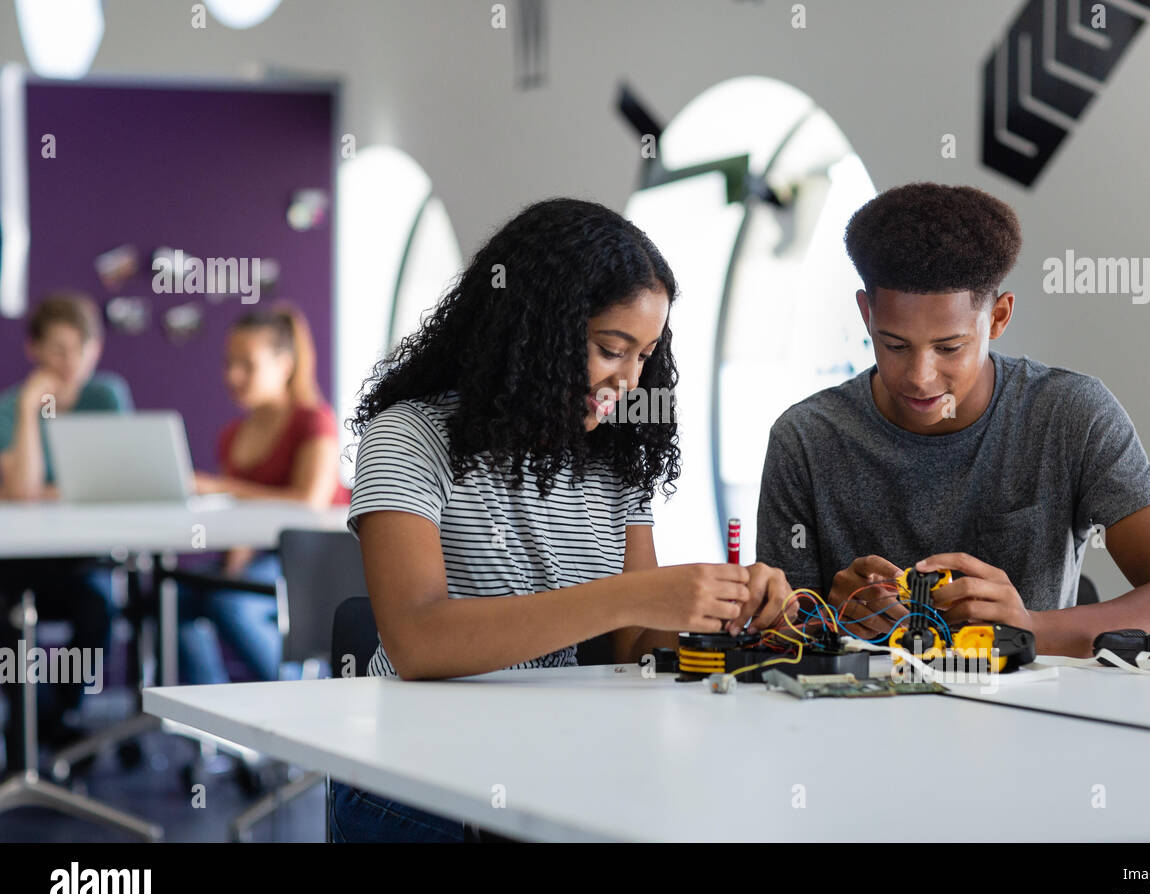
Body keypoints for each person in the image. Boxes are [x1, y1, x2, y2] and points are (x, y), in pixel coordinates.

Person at [330, 198, 795, 842]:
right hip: (417, 777)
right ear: (534, 331)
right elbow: (418, 641)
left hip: (559, 754)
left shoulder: (615, 461)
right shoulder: (409, 437)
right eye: (611, 348)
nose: (629, 381)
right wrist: (635, 595)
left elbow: (633, 647)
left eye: (645, 356)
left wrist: (721, 615)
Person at [756, 182, 1150, 657]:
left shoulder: (1070, 416)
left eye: (949, 347)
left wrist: (1028, 627)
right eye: (894, 344)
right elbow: (772, 636)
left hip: (1036, 723)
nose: (920, 376)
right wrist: (830, 621)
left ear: (998, 318)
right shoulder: (806, 440)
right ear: (865, 313)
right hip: (856, 724)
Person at [177, 304, 348, 686]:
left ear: (284, 364)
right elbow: (241, 515)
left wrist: (221, 487)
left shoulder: (314, 420)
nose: (233, 376)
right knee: (174, 598)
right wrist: (236, 555)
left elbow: (309, 503)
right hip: (262, 556)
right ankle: (214, 715)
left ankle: (302, 701)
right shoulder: (232, 434)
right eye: (228, 364)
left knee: (229, 602)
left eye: (247, 365)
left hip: (313, 561)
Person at [0, 293, 132, 771]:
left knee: (97, 609)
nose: (70, 362)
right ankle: (31, 722)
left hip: (81, 559)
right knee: (7, 618)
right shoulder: (13, 406)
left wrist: (47, 490)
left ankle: (56, 716)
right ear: (33, 349)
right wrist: (33, 408)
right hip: (18, 563)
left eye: (81, 348)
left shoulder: (106, 396)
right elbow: (22, 488)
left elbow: (115, 480)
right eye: (57, 349)